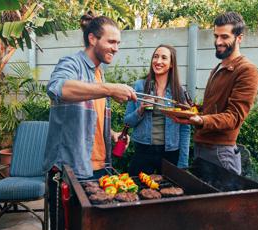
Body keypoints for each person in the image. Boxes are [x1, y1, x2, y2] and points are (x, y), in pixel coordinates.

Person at [43, 14, 136, 229]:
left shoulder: (98, 72)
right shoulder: (72, 63)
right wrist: (111, 89)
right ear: (93, 39)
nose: (116, 48)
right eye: (111, 42)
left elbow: (91, 114)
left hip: (98, 167)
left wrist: (111, 134)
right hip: (70, 170)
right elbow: (58, 89)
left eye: (118, 43)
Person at [172, 12, 258, 175]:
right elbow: (212, 109)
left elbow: (234, 117)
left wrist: (200, 120)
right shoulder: (218, 68)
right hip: (202, 147)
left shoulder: (247, 70)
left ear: (239, 38)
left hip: (221, 152)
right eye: (216, 36)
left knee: (224, 201)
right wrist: (191, 110)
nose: (218, 42)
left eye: (225, 37)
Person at [124, 44, 191, 176]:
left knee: (170, 193)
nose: (158, 61)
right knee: (136, 190)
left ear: (171, 64)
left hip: (171, 152)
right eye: (156, 56)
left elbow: (185, 128)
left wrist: (183, 162)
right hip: (143, 150)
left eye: (164, 58)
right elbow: (127, 121)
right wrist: (140, 110)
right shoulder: (139, 86)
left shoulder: (179, 91)